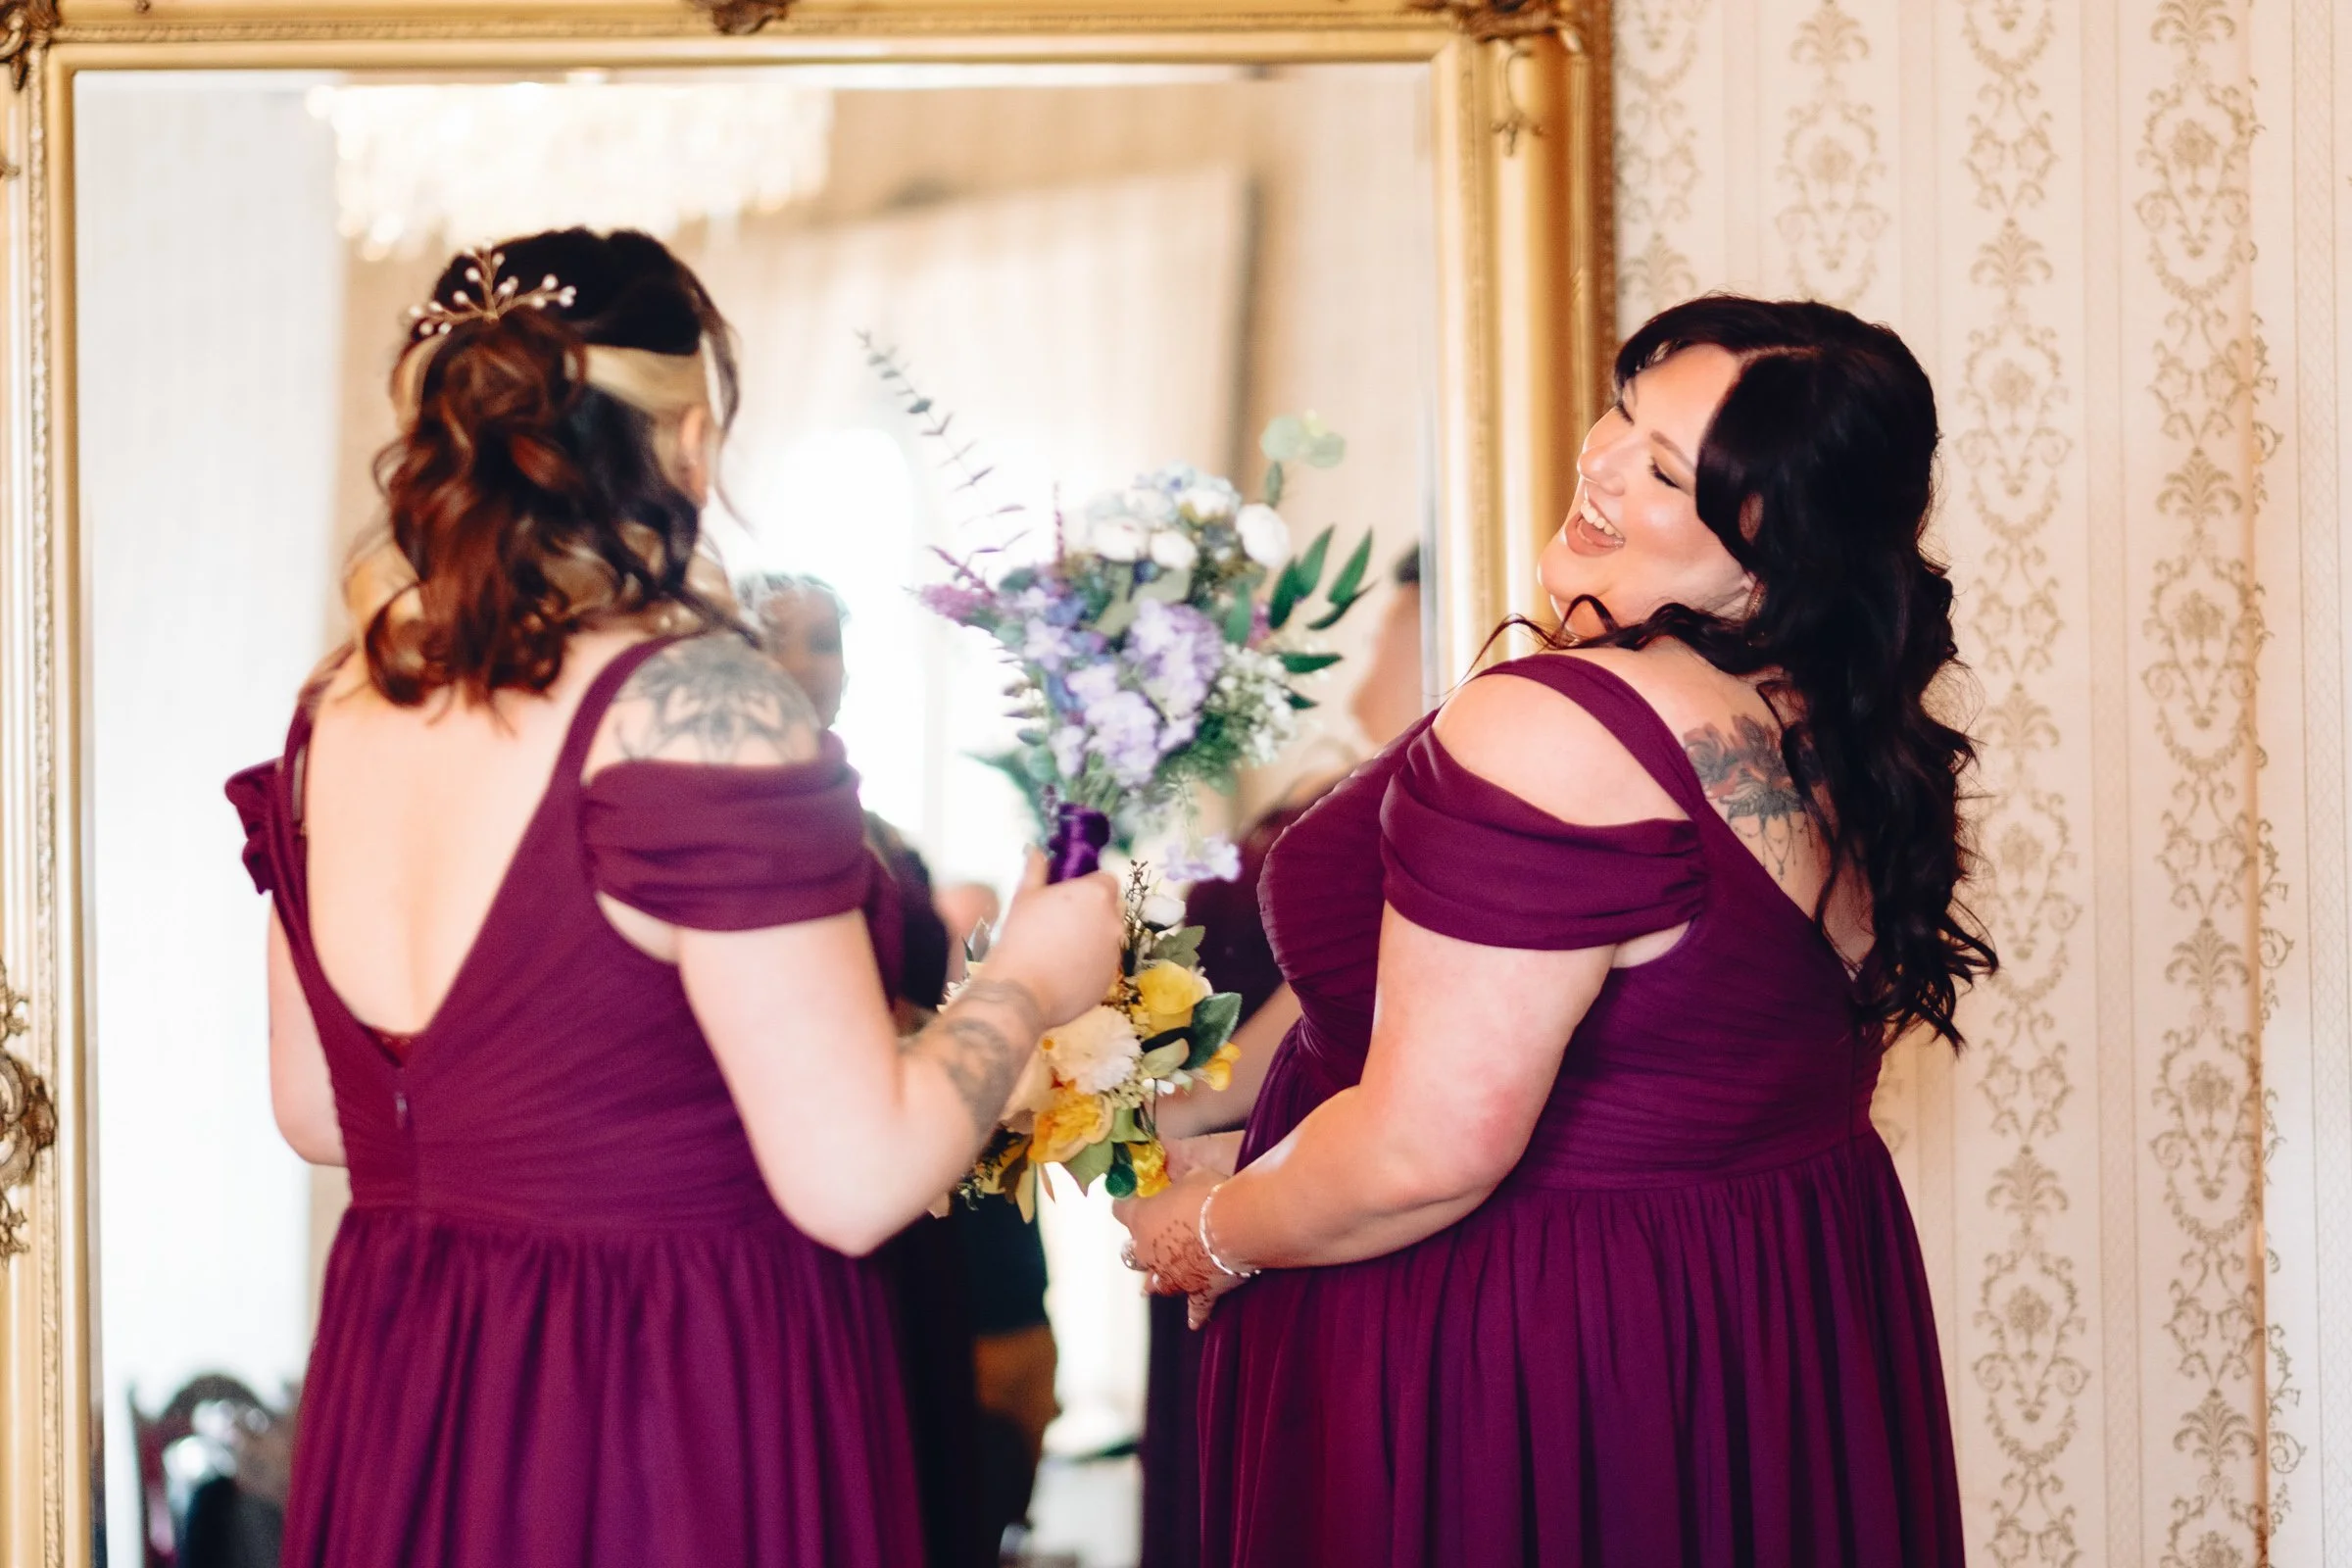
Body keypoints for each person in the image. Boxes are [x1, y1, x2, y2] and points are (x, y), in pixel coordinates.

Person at [225, 227, 1123, 1568]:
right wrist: (1035, 977)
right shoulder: (695, 709)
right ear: (691, 439)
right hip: (664, 1398)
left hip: (415, 1380)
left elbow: (321, 1111)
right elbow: (856, 1179)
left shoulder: (343, 705)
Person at [1117, 295, 1995, 1565]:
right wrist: (1242, 1134)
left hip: (1533, 1345)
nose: (1600, 464)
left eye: (1664, 468)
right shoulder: (1844, 733)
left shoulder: (1560, 726)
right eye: (1624, 415)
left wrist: (1208, 1236)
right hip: (1764, 1319)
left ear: (1778, 545)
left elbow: (1428, 1147)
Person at [744, 570, 1056, 1564]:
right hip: (814, 1192)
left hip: (924, 1192)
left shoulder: (887, 841)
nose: (802, 665)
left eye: (824, 641)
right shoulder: (734, 828)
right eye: (776, 639)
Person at [1137, 546, 1423, 1568]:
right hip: (1227, 1163)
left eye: (1392, 629)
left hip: (1284, 1177)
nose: (1363, 670)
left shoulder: (1417, 818)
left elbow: (1317, 1007)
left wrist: (1144, 1115)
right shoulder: (1338, 792)